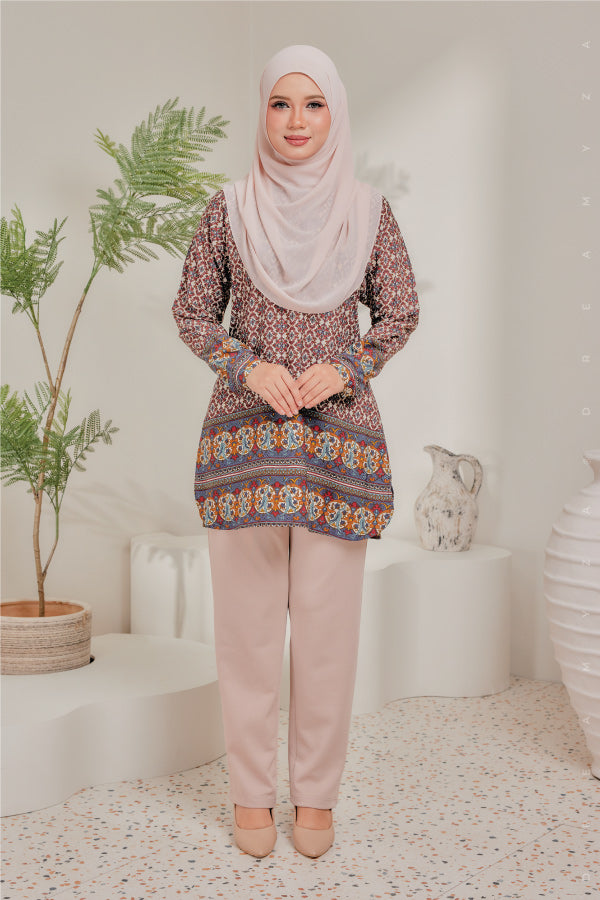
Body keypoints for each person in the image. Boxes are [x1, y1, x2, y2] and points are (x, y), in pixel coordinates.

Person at [172, 43, 419, 859]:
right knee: (246, 638)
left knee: (325, 639)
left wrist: (345, 367)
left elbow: (399, 313)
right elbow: (192, 312)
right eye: (281, 103)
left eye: (314, 104)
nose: (297, 121)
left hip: (335, 449)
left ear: (335, 113)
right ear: (263, 114)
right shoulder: (229, 210)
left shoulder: (369, 213)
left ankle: (316, 796)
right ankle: (251, 796)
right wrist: (248, 365)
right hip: (246, 447)